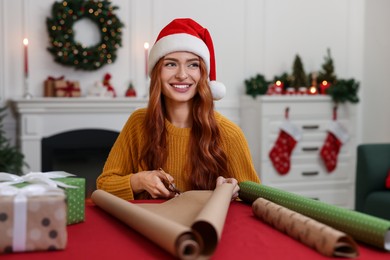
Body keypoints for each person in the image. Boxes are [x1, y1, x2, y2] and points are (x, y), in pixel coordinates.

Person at [96, 18, 260, 201]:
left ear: (203, 75)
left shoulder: (229, 134)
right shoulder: (138, 122)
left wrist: (231, 193)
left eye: (193, 64)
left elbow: (256, 201)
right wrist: (139, 180)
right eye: (171, 64)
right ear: (157, 72)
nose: (182, 75)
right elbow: (104, 186)